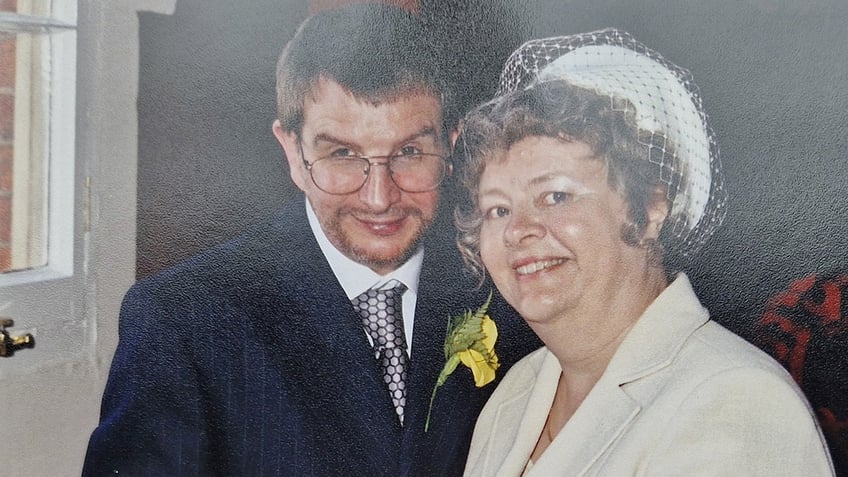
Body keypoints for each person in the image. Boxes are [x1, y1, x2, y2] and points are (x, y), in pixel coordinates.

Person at [82, 5, 538, 476]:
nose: (380, 198)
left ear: (450, 145)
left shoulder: (506, 290)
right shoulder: (184, 320)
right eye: (342, 153)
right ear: (293, 153)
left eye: (408, 152)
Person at [455, 29, 835, 476]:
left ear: (652, 208)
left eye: (555, 196)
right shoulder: (514, 393)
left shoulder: (734, 399)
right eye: (498, 208)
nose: (518, 230)